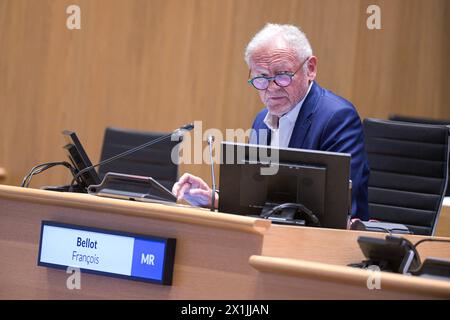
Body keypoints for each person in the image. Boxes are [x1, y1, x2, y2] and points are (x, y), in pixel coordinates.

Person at [173, 23, 370, 220]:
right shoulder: (261, 120)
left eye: (282, 75)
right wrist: (214, 199)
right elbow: (259, 201)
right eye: (261, 78)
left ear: (310, 69)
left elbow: (342, 211)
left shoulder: (337, 118)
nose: (271, 88)